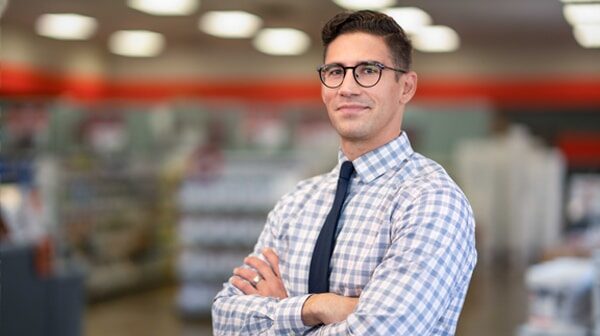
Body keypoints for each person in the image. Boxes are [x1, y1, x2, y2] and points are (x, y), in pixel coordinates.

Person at [212, 10, 477, 335]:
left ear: (406, 87)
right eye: (335, 71)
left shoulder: (431, 201)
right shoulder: (298, 202)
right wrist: (318, 307)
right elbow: (226, 319)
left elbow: (385, 330)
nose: (347, 87)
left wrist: (281, 311)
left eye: (368, 70)